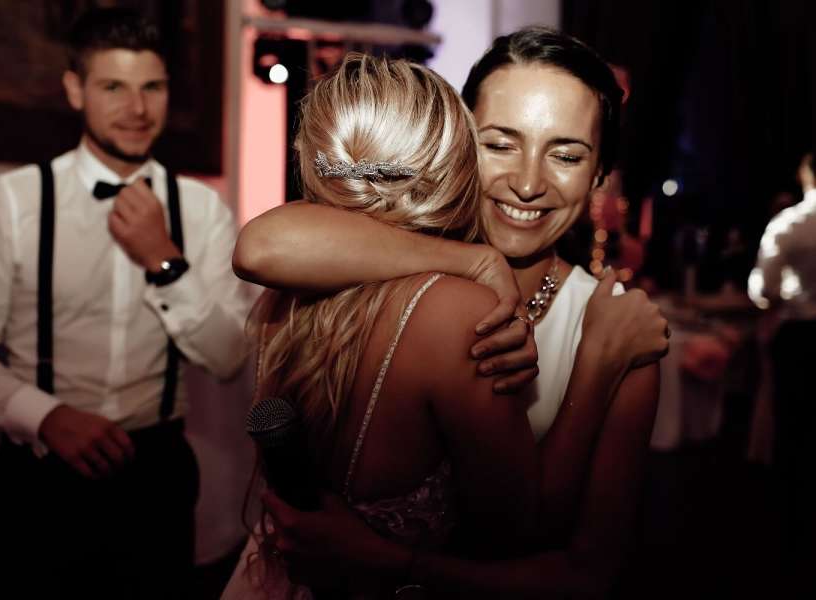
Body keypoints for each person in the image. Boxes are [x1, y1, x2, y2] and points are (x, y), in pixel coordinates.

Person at [231, 27, 667, 597]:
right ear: (458, 142)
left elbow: (587, 576)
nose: (528, 183)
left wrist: (386, 562)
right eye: (500, 144)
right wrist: (471, 259)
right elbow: (260, 245)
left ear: (599, 174)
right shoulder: (378, 261)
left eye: (565, 155)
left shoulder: (618, 332)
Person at [0, 8, 249, 599]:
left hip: (157, 474)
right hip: (39, 474)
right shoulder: (15, 200)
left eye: (152, 87)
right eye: (114, 87)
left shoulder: (202, 210)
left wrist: (164, 261)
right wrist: (45, 416)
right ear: (75, 90)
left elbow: (230, 357)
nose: (137, 109)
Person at [747, 152, 816, 594]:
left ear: (807, 174)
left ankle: (792, 535)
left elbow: (763, 289)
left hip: (801, 337)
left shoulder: (790, 225)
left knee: (793, 430)